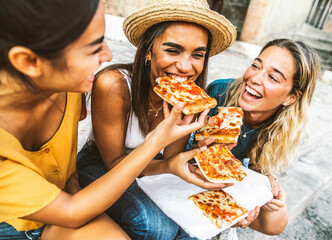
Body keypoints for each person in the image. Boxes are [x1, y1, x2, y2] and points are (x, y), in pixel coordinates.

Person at [0, 0, 209, 239]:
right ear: (29, 61)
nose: (108, 55)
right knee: (154, 225)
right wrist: (155, 142)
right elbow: (71, 211)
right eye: (92, 47)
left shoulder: (71, 87)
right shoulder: (106, 84)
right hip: (13, 224)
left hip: (68, 198)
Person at [76, 0, 240, 239]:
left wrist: (204, 153)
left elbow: (172, 158)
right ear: (148, 51)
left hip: (153, 167)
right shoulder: (114, 84)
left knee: (192, 225)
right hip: (101, 165)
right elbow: (113, 162)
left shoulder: (191, 99)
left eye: (197, 55)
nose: (185, 67)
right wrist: (168, 166)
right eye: (173, 50)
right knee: (157, 226)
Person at [204, 38, 321, 234]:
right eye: (255, 66)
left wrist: (270, 195)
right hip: (190, 175)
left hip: (221, 189)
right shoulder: (219, 93)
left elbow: (273, 226)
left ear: (291, 97)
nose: (254, 78)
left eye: (273, 78)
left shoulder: (282, 130)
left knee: (275, 219)